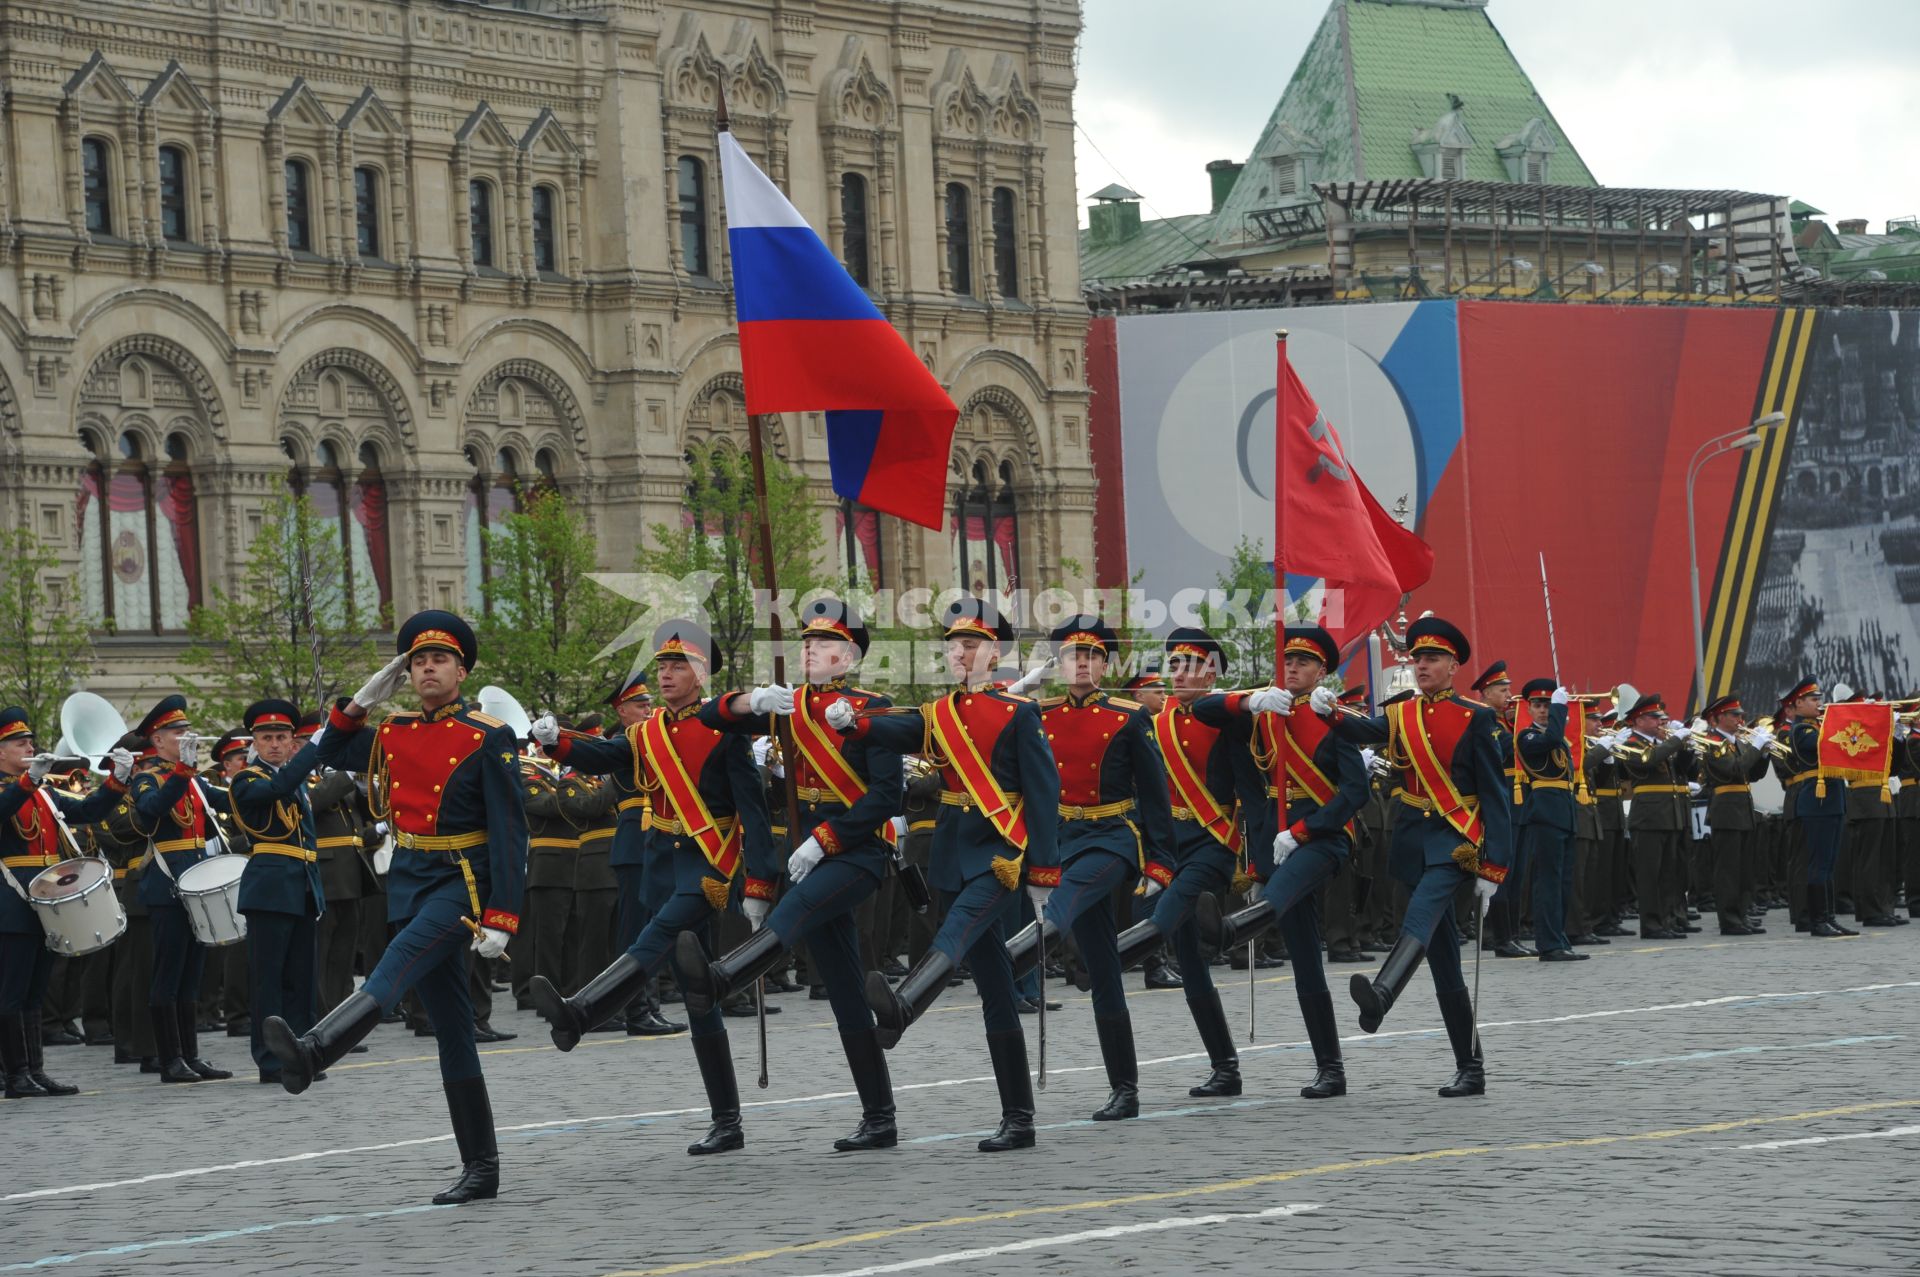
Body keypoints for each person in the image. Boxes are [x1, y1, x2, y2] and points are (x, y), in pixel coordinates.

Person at [266, 610, 528, 1206]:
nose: (427, 668)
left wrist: (503, 915)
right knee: (453, 1030)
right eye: (416, 661)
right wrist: (355, 705)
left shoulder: (488, 735)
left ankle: (314, 1050)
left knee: (395, 965)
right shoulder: (393, 731)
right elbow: (317, 756)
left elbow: (511, 832)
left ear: (461, 670)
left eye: (439, 659)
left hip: (462, 883)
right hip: (410, 879)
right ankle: (481, 1167)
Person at [526, 620, 774, 1157]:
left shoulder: (725, 732)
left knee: (657, 935)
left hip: (708, 866)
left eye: (677, 665)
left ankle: (583, 1010)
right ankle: (727, 1120)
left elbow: (753, 809)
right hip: (661, 862)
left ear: (702, 674)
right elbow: (605, 758)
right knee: (697, 993)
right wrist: (559, 742)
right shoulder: (648, 731)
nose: (665, 674)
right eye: (661, 666)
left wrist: (759, 880)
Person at [672, 597, 907, 1151]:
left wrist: (826, 840)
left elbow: (886, 796)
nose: (808, 650)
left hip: (857, 850)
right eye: (804, 643)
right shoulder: (787, 705)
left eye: (822, 644)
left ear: (847, 657)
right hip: (808, 848)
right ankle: (880, 1116)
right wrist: (752, 699)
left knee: (793, 912)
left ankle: (723, 977)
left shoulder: (875, 708)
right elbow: (710, 716)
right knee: (846, 990)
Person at [842, 598, 1059, 1152]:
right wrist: (852, 721)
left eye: (970, 645)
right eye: (953, 645)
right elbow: (893, 732)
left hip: (998, 854)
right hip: (951, 854)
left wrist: (1045, 869)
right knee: (994, 989)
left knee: (957, 931)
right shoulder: (937, 714)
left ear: (994, 654)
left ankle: (907, 1002)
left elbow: (1042, 794)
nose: (959, 653)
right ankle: (1018, 1118)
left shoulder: (1018, 713)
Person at [1324, 616, 1513, 1097]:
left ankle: (1383, 993)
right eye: (1418, 658)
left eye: (1432, 658)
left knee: (1422, 910)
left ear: (1453, 665)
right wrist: (1327, 712)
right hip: (1413, 840)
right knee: (1446, 962)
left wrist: (1495, 865)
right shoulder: (1400, 712)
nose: (1422, 665)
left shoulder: (1478, 717)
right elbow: (1364, 730)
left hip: (1457, 841)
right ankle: (1471, 1068)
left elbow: (1496, 795)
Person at [1004, 615, 1175, 1121]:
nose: (1083, 663)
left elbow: (1156, 795)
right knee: (1103, 968)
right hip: (1061, 839)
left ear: (1105, 664)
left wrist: (1161, 862)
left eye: (1093, 655)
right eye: (1073, 655)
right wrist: (1015, 689)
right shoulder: (1038, 713)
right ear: (1059, 664)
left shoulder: (1128, 716)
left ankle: (1007, 958)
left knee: (1064, 900)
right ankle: (1126, 1087)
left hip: (1111, 838)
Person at [1191, 625, 1368, 1099]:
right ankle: (1331, 1069)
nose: (1292, 669)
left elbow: (1356, 791)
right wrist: (1251, 702)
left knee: (1285, 889)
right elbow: (1201, 709)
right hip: (1276, 841)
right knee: (1306, 959)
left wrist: (1305, 830)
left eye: (1304, 663)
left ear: (1322, 671)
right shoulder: (1265, 709)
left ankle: (1231, 931)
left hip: (1323, 837)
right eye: (1288, 661)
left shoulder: (1332, 716)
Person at [1110, 627, 1266, 1099]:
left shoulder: (1225, 721)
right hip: (1166, 847)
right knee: (1191, 962)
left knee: (1168, 915)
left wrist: (1256, 860)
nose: (1179, 674)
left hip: (1211, 844)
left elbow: (1252, 793)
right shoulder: (1151, 724)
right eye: (1174, 665)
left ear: (1211, 673)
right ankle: (1226, 1068)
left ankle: (1108, 958)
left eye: (1191, 665)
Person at [0, 707, 129, 1096]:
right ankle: (15, 1073)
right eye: (19, 742)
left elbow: (85, 811)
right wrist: (26, 781)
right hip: (10, 896)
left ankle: (35, 1070)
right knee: (12, 989)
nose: (30, 745)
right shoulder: (19, 787)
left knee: (37, 989)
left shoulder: (41, 790)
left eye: (29, 740)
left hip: (46, 896)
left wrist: (116, 781)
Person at [127, 694, 233, 1083]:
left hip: (198, 882)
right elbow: (150, 809)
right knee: (168, 974)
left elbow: (229, 800)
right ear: (157, 740)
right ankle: (169, 1059)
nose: (185, 736)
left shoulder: (195, 780)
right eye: (177, 732)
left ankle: (191, 1055)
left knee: (193, 973)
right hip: (167, 883)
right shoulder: (147, 776)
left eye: (186, 730)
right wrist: (184, 771)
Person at [227, 699, 326, 1084]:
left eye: (282, 737)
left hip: (300, 884)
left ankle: (302, 1051)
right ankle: (270, 1059)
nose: (274, 744)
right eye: (266, 737)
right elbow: (277, 787)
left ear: (290, 742)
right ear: (254, 741)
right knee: (268, 980)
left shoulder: (297, 780)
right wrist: (317, 747)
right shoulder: (248, 779)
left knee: (301, 978)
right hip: (269, 887)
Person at [601, 675, 681, 1036]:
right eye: (640, 705)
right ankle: (634, 1010)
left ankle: (649, 1006)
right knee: (635, 933)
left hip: (655, 840)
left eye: (649, 703)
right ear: (622, 711)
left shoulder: (649, 737)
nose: (649, 709)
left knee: (654, 929)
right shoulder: (623, 743)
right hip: (636, 841)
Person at [1615, 694, 1698, 939]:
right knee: (1650, 874)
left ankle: (1667, 920)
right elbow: (1647, 763)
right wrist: (1674, 743)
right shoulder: (1630, 742)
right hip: (1649, 815)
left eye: (1661, 717)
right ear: (1639, 720)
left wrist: (1686, 748)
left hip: (1670, 815)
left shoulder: (1661, 743)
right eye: (1654, 717)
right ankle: (1651, 925)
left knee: (1668, 874)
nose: (1660, 722)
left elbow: (1684, 771)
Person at [1514, 679, 1585, 962]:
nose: (1543, 711)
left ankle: (1559, 937)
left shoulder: (1556, 736)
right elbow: (1553, 739)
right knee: (1548, 881)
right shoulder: (1527, 737)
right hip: (1544, 813)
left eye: (1547, 705)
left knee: (1563, 881)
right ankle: (1548, 944)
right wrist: (1559, 708)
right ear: (1529, 709)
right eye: (1538, 705)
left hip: (1563, 812)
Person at [1778, 679, 1855, 938]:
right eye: (1812, 699)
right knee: (1818, 864)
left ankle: (1829, 917)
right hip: (1817, 801)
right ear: (1798, 704)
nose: (1819, 703)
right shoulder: (1801, 730)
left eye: (1818, 698)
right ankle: (1817, 920)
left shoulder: (1818, 725)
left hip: (1832, 799)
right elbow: (1826, 745)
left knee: (1829, 863)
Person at [1698, 696, 1772, 936]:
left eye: (1741, 714)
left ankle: (1741, 914)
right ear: (1718, 718)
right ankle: (1729, 920)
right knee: (1728, 870)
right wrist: (1755, 747)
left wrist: (1763, 755)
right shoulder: (1713, 742)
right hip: (1726, 810)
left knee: (1744, 869)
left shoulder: (1736, 742)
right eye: (1734, 715)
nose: (1740, 719)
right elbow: (1734, 769)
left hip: (1742, 808)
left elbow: (1754, 775)